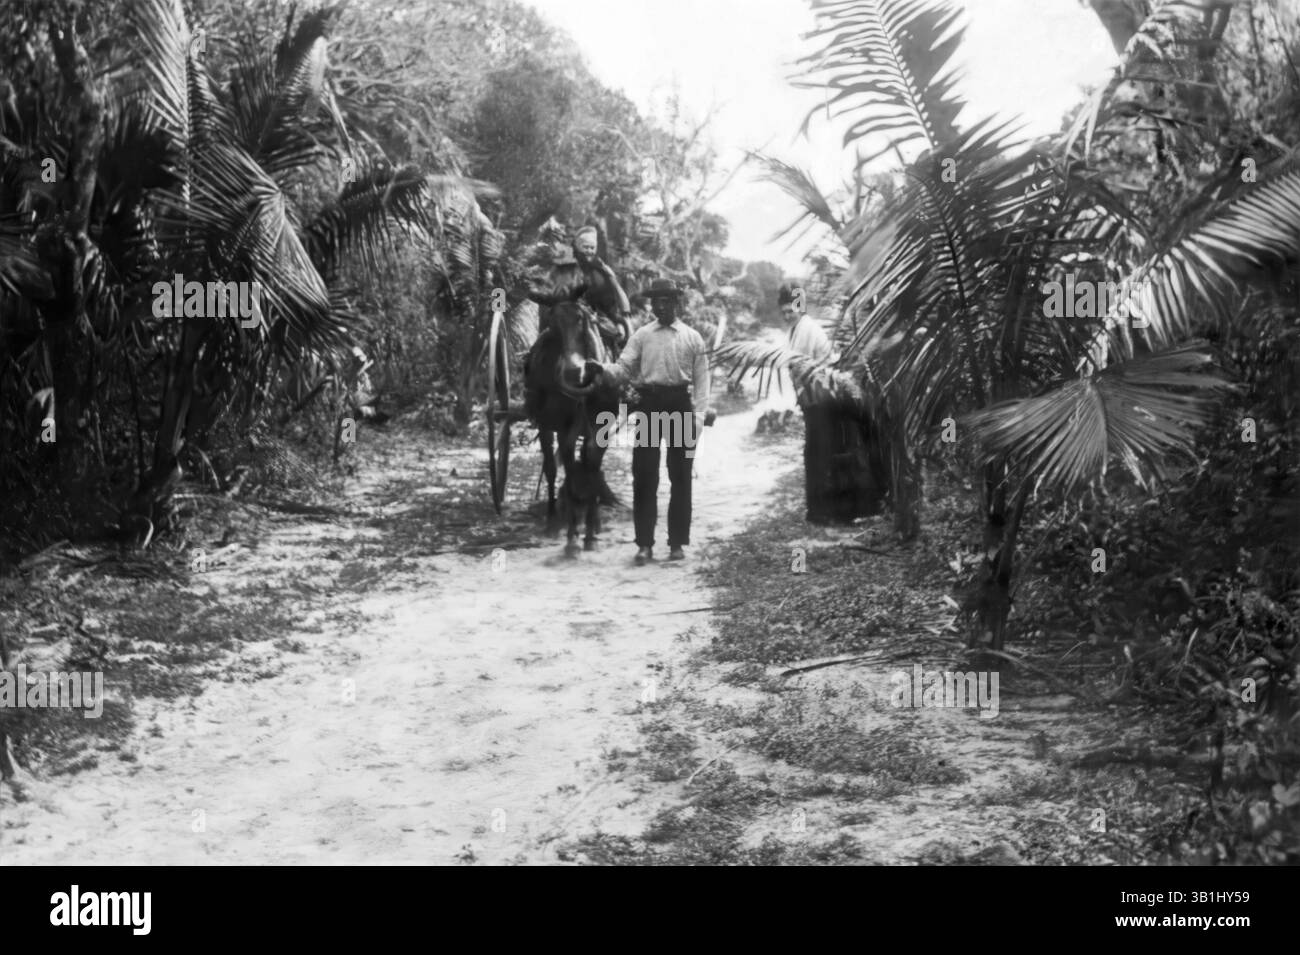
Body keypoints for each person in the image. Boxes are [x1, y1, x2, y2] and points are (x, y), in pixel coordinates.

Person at [584, 278, 714, 565]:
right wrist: (601, 369)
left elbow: (703, 381)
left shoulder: (692, 337)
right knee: (644, 476)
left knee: (680, 477)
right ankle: (644, 544)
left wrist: (699, 416)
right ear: (653, 305)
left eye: (667, 300)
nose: (661, 305)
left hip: (680, 405)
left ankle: (677, 543)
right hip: (650, 406)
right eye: (656, 301)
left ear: (677, 303)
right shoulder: (642, 335)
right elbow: (623, 369)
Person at [779, 284, 883, 524]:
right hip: (815, 401)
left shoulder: (806, 329)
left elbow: (806, 369)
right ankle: (821, 511)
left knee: (822, 455)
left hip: (825, 400)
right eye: (783, 312)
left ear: (801, 307)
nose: (787, 315)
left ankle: (828, 512)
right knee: (818, 455)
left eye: (791, 310)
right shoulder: (794, 330)